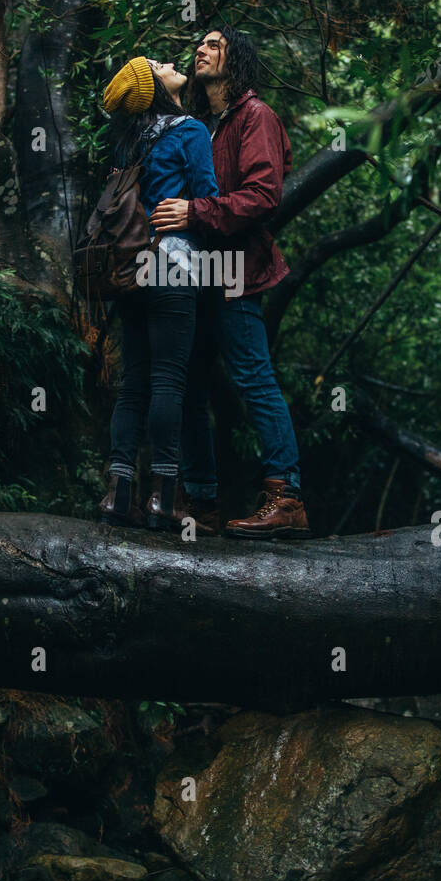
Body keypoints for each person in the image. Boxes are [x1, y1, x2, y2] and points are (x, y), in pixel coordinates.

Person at [150, 26, 310, 539]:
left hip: (237, 268)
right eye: (200, 44)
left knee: (253, 378)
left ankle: (286, 498)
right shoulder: (202, 123)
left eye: (213, 45)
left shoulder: (255, 116)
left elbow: (264, 196)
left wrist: (194, 211)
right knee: (191, 384)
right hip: (197, 272)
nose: (200, 49)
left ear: (235, 59)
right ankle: (201, 502)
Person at [98, 55, 219, 531]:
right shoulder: (190, 131)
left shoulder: (126, 141)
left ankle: (119, 494)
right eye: (159, 63)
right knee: (169, 380)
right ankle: (165, 499)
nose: (171, 62)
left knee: (133, 384)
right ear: (153, 84)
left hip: (127, 269)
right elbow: (206, 197)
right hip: (172, 264)